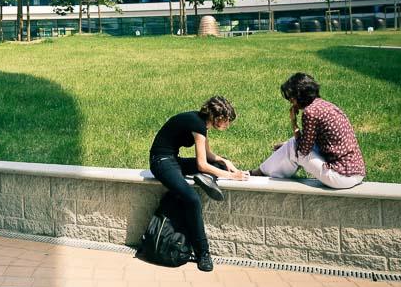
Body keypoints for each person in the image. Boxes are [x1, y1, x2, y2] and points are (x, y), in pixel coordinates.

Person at [149, 96, 249, 272]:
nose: (228, 125)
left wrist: (228, 163)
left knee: (218, 164)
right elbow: (202, 164)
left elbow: (209, 156)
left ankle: (204, 178)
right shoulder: (198, 125)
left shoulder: (201, 123)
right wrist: (232, 177)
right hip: (161, 161)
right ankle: (203, 253)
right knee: (192, 199)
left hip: (173, 160)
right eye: (227, 121)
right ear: (217, 117)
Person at [250, 73, 366, 190]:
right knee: (291, 145)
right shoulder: (325, 105)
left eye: (292, 98)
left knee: (294, 148)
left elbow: (303, 150)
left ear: (300, 96)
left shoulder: (310, 112)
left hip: (341, 176)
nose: (291, 103)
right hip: (356, 173)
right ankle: (262, 171)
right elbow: (312, 143)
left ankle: (258, 173)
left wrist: (293, 122)